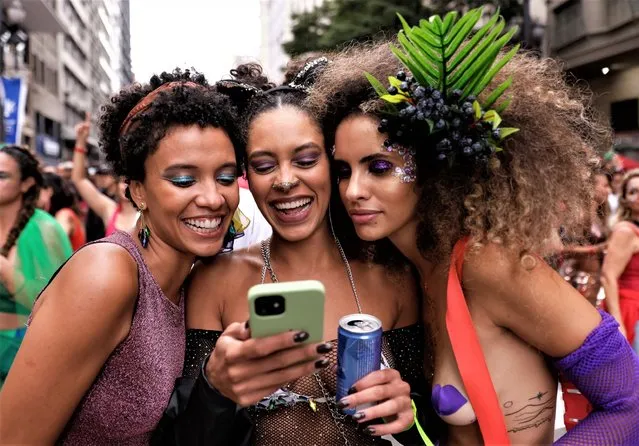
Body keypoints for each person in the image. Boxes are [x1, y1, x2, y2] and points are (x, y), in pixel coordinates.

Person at [309, 8, 639, 445]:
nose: (353, 190)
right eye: (343, 170)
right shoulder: (411, 269)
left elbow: (628, 403)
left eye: (380, 167)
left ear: (434, 170)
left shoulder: (487, 264)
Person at [160, 60, 439, 446]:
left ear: (332, 163)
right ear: (248, 177)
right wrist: (214, 387)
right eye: (263, 165)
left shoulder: (392, 277)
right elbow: (187, 439)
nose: (286, 180)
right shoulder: (214, 282)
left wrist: (408, 416)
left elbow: (434, 429)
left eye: (306, 160)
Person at [0, 68, 244, 444]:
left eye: (226, 177)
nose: (213, 198)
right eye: (183, 180)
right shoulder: (107, 274)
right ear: (138, 192)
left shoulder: (190, 281)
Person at [0, 146, 72, 386]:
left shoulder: (44, 228)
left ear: (26, 183)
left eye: (2, 176)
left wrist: (6, 271)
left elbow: (60, 303)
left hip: (23, 353)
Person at [71, 113, 138, 236]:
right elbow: (79, 180)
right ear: (116, 184)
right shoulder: (109, 210)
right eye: (123, 182)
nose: (126, 186)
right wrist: (80, 142)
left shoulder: (149, 217)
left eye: (130, 182)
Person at [602, 168, 639, 347]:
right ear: (625, 200)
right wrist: (618, 324)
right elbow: (608, 276)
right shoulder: (625, 231)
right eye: (633, 191)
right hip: (630, 311)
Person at [39, 172, 86, 250]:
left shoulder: (64, 215)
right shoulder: (63, 214)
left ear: (49, 191)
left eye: (37, 190)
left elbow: (54, 244)